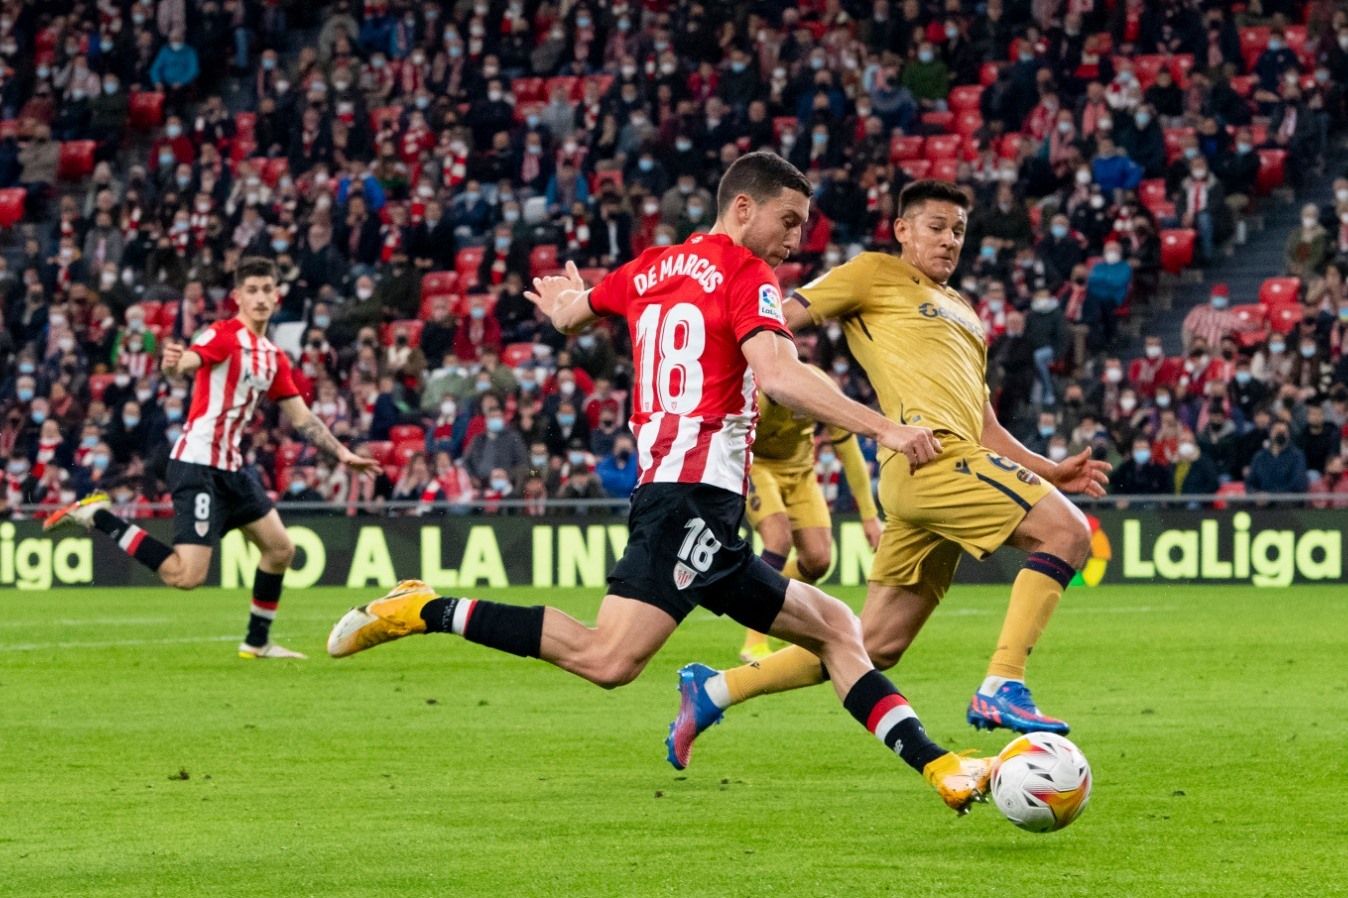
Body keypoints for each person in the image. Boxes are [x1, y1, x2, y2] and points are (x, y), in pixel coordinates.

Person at [326, 153, 993, 813]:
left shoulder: (647, 268)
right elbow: (781, 375)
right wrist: (888, 429)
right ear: (742, 209)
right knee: (607, 659)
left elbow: (573, 315)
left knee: (836, 628)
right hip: (688, 500)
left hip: (695, 504)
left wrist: (563, 304)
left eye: (803, 225)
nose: (796, 239)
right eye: (787, 220)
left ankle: (941, 767)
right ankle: (422, 610)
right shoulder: (746, 271)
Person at [669, 180, 1111, 772]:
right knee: (1069, 533)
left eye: (957, 230)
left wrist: (1051, 469)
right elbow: (783, 314)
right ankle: (1004, 682)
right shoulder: (872, 273)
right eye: (935, 227)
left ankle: (716, 689)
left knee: (872, 646)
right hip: (930, 459)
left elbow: (985, 425)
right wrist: (725, 348)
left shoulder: (967, 314)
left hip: (948, 461)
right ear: (903, 230)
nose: (949, 240)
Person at [45, 258, 381, 659]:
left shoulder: (273, 357)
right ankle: (99, 517)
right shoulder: (223, 335)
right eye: (251, 290)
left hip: (232, 468)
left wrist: (343, 453)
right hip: (198, 464)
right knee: (186, 577)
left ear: (277, 297)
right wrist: (174, 365)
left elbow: (301, 418)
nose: (259, 298)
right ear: (238, 297)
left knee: (280, 550)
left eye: (266, 290)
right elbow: (190, 360)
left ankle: (257, 642)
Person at [738, 361, 884, 663]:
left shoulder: (821, 388)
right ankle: (755, 638)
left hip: (801, 470)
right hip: (757, 465)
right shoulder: (754, 395)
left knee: (818, 560)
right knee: (778, 539)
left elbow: (850, 451)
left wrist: (869, 515)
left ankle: (765, 600)